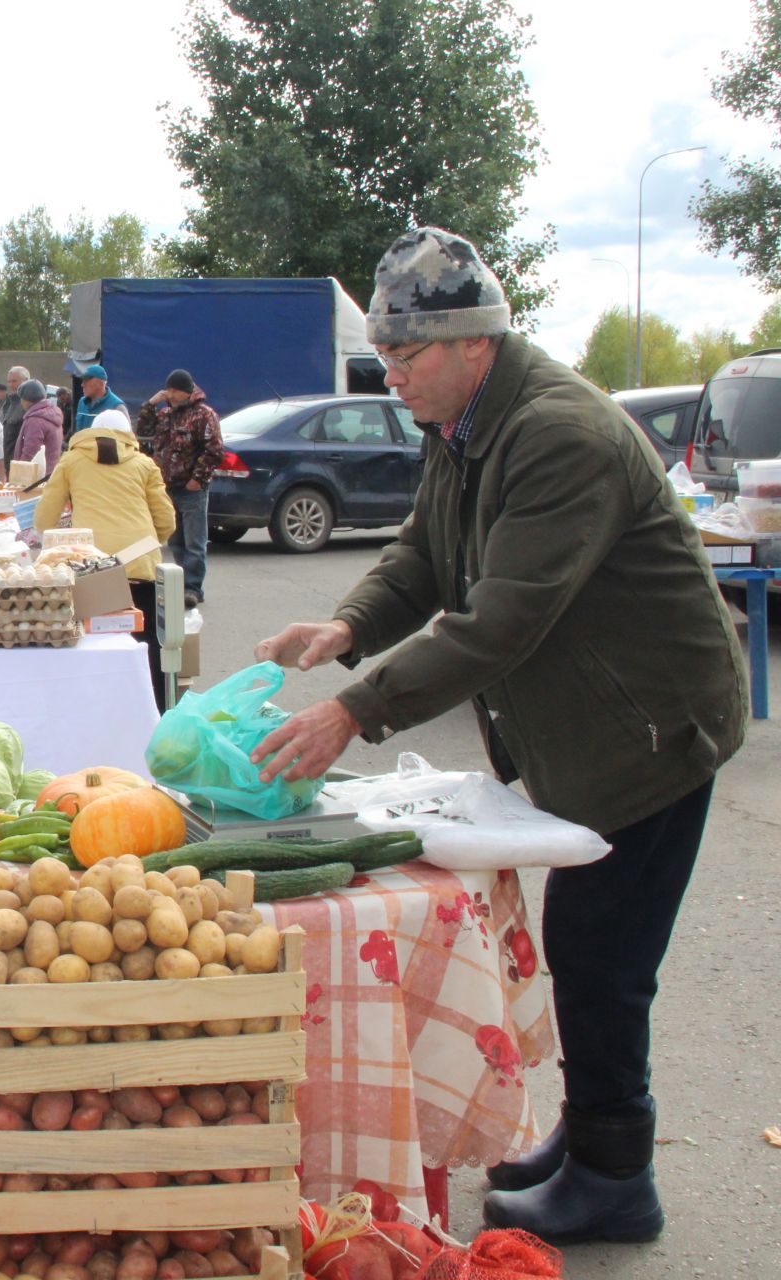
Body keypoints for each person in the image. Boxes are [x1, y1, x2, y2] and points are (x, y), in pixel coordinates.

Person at [248, 227, 749, 1247]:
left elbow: (502, 619)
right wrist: (350, 626)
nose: (394, 376)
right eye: (384, 355)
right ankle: (591, 1129)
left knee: (603, 952)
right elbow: (427, 553)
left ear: (476, 339)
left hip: (651, 727)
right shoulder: (467, 420)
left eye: (410, 354)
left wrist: (358, 708)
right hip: (594, 723)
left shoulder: (557, 432)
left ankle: (619, 1171)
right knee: (586, 940)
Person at [34, 408, 176, 709]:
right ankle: (155, 712)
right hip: (141, 566)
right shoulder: (144, 463)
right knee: (149, 643)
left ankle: (103, 709)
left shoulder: (71, 461)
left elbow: (45, 517)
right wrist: (149, 543)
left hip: (93, 570)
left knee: (94, 644)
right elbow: (166, 521)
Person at [135, 370, 226, 607]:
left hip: (191, 488)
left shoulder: (204, 415)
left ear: (186, 391)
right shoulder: (166, 414)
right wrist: (150, 404)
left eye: (174, 390)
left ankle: (193, 588)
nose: (170, 395)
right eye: (169, 390)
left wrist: (198, 478)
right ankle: (182, 583)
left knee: (195, 541)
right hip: (167, 487)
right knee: (175, 540)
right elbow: (143, 430)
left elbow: (214, 451)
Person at [11, 379, 65, 479]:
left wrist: (19, 475)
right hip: (52, 472)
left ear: (27, 399)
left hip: (37, 477)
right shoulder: (52, 413)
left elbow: (30, 451)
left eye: (21, 398)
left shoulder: (35, 420)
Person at [75, 363, 126, 434]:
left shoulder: (117, 406)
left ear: (101, 382)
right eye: (82, 381)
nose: (82, 384)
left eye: (86, 380)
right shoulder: (82, 402)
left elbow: (127, 439)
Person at [0, 366, 31, 463]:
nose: (10, 385)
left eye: (14, 381)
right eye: (9, 381)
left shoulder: (30, 404)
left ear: (26, 380)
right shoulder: (9, 402)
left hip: (21, 463)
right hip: (9, 461)